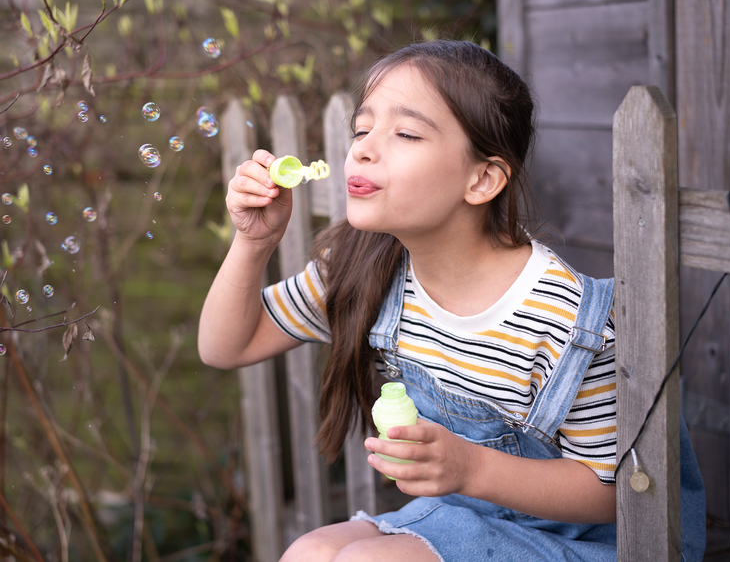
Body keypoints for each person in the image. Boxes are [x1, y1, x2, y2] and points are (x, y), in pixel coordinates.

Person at [198, 40, 702, 561]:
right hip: (472, 520)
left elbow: (614, 491)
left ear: (482, 179)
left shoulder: (564, 317)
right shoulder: (364, 269)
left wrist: (471, 468)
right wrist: (253, 242)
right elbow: (225, 347)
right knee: (309, 552)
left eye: (407, 133)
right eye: (362, 129)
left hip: (605, 542)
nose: (364, 148)